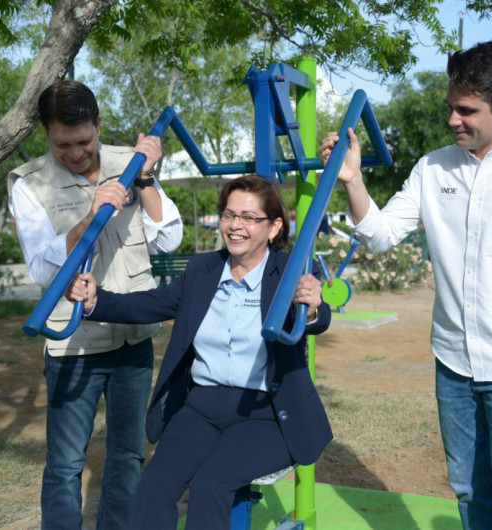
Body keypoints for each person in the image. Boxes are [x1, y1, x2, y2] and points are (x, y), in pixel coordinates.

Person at [320, 41, 492, 529]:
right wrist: (352, 181)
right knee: (470, 492)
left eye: (467, 110)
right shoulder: (432, 168)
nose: (453, 119)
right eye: (451, 106)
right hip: (453, 361)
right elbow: (381, 237)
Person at [68, 175, 332, 529]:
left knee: (210, 484)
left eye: (250, 218)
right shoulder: (202, 270)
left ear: (273, 228)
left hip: (265, 414)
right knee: (155, 486)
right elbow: (152, 304)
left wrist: (313, 307)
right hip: (201, 409)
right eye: (229, 215)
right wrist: (95, 300)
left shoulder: (291, 272)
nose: (236, 226)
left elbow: (315, 315)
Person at [7, 80, 183, 529]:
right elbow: (44, 269)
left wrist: (144, 180)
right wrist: (89, 216)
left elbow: (169, 238)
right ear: (46, 133)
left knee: (127, 455)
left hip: (132, 336)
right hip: (74, 346)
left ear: (98, 124)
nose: (76, 152)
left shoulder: (132, 161)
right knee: (66, 465)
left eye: (84, 140)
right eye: (62, 143)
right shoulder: (29, 183)